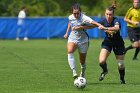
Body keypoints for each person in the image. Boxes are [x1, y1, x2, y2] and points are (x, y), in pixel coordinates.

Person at [64, 3, 104, 79]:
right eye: (74, 13)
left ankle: (82, 72)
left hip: (83, 40)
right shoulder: (71, 17)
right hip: (73, 38)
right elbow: (70, 22)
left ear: (80, 12)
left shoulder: (85, 18)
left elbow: (94, 24)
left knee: (82, 61)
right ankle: (74, 72)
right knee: (70, 51)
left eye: (77, 13)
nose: (76, 15)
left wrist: (82, 27)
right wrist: (67, 32)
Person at [98, 6, 126, 84]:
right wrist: (82, 26)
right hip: (108, 42)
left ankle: (122, 79)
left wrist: (104, 28)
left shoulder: (116, 20)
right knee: (101, 61)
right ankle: (105, 70)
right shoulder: (103, 21)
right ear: (105, 14)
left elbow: (116, 28)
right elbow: (94, 25)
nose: (108, 16)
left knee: (120, 64)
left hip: (118, 43)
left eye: (110, 14)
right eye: (107, 14)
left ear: (113, 14)